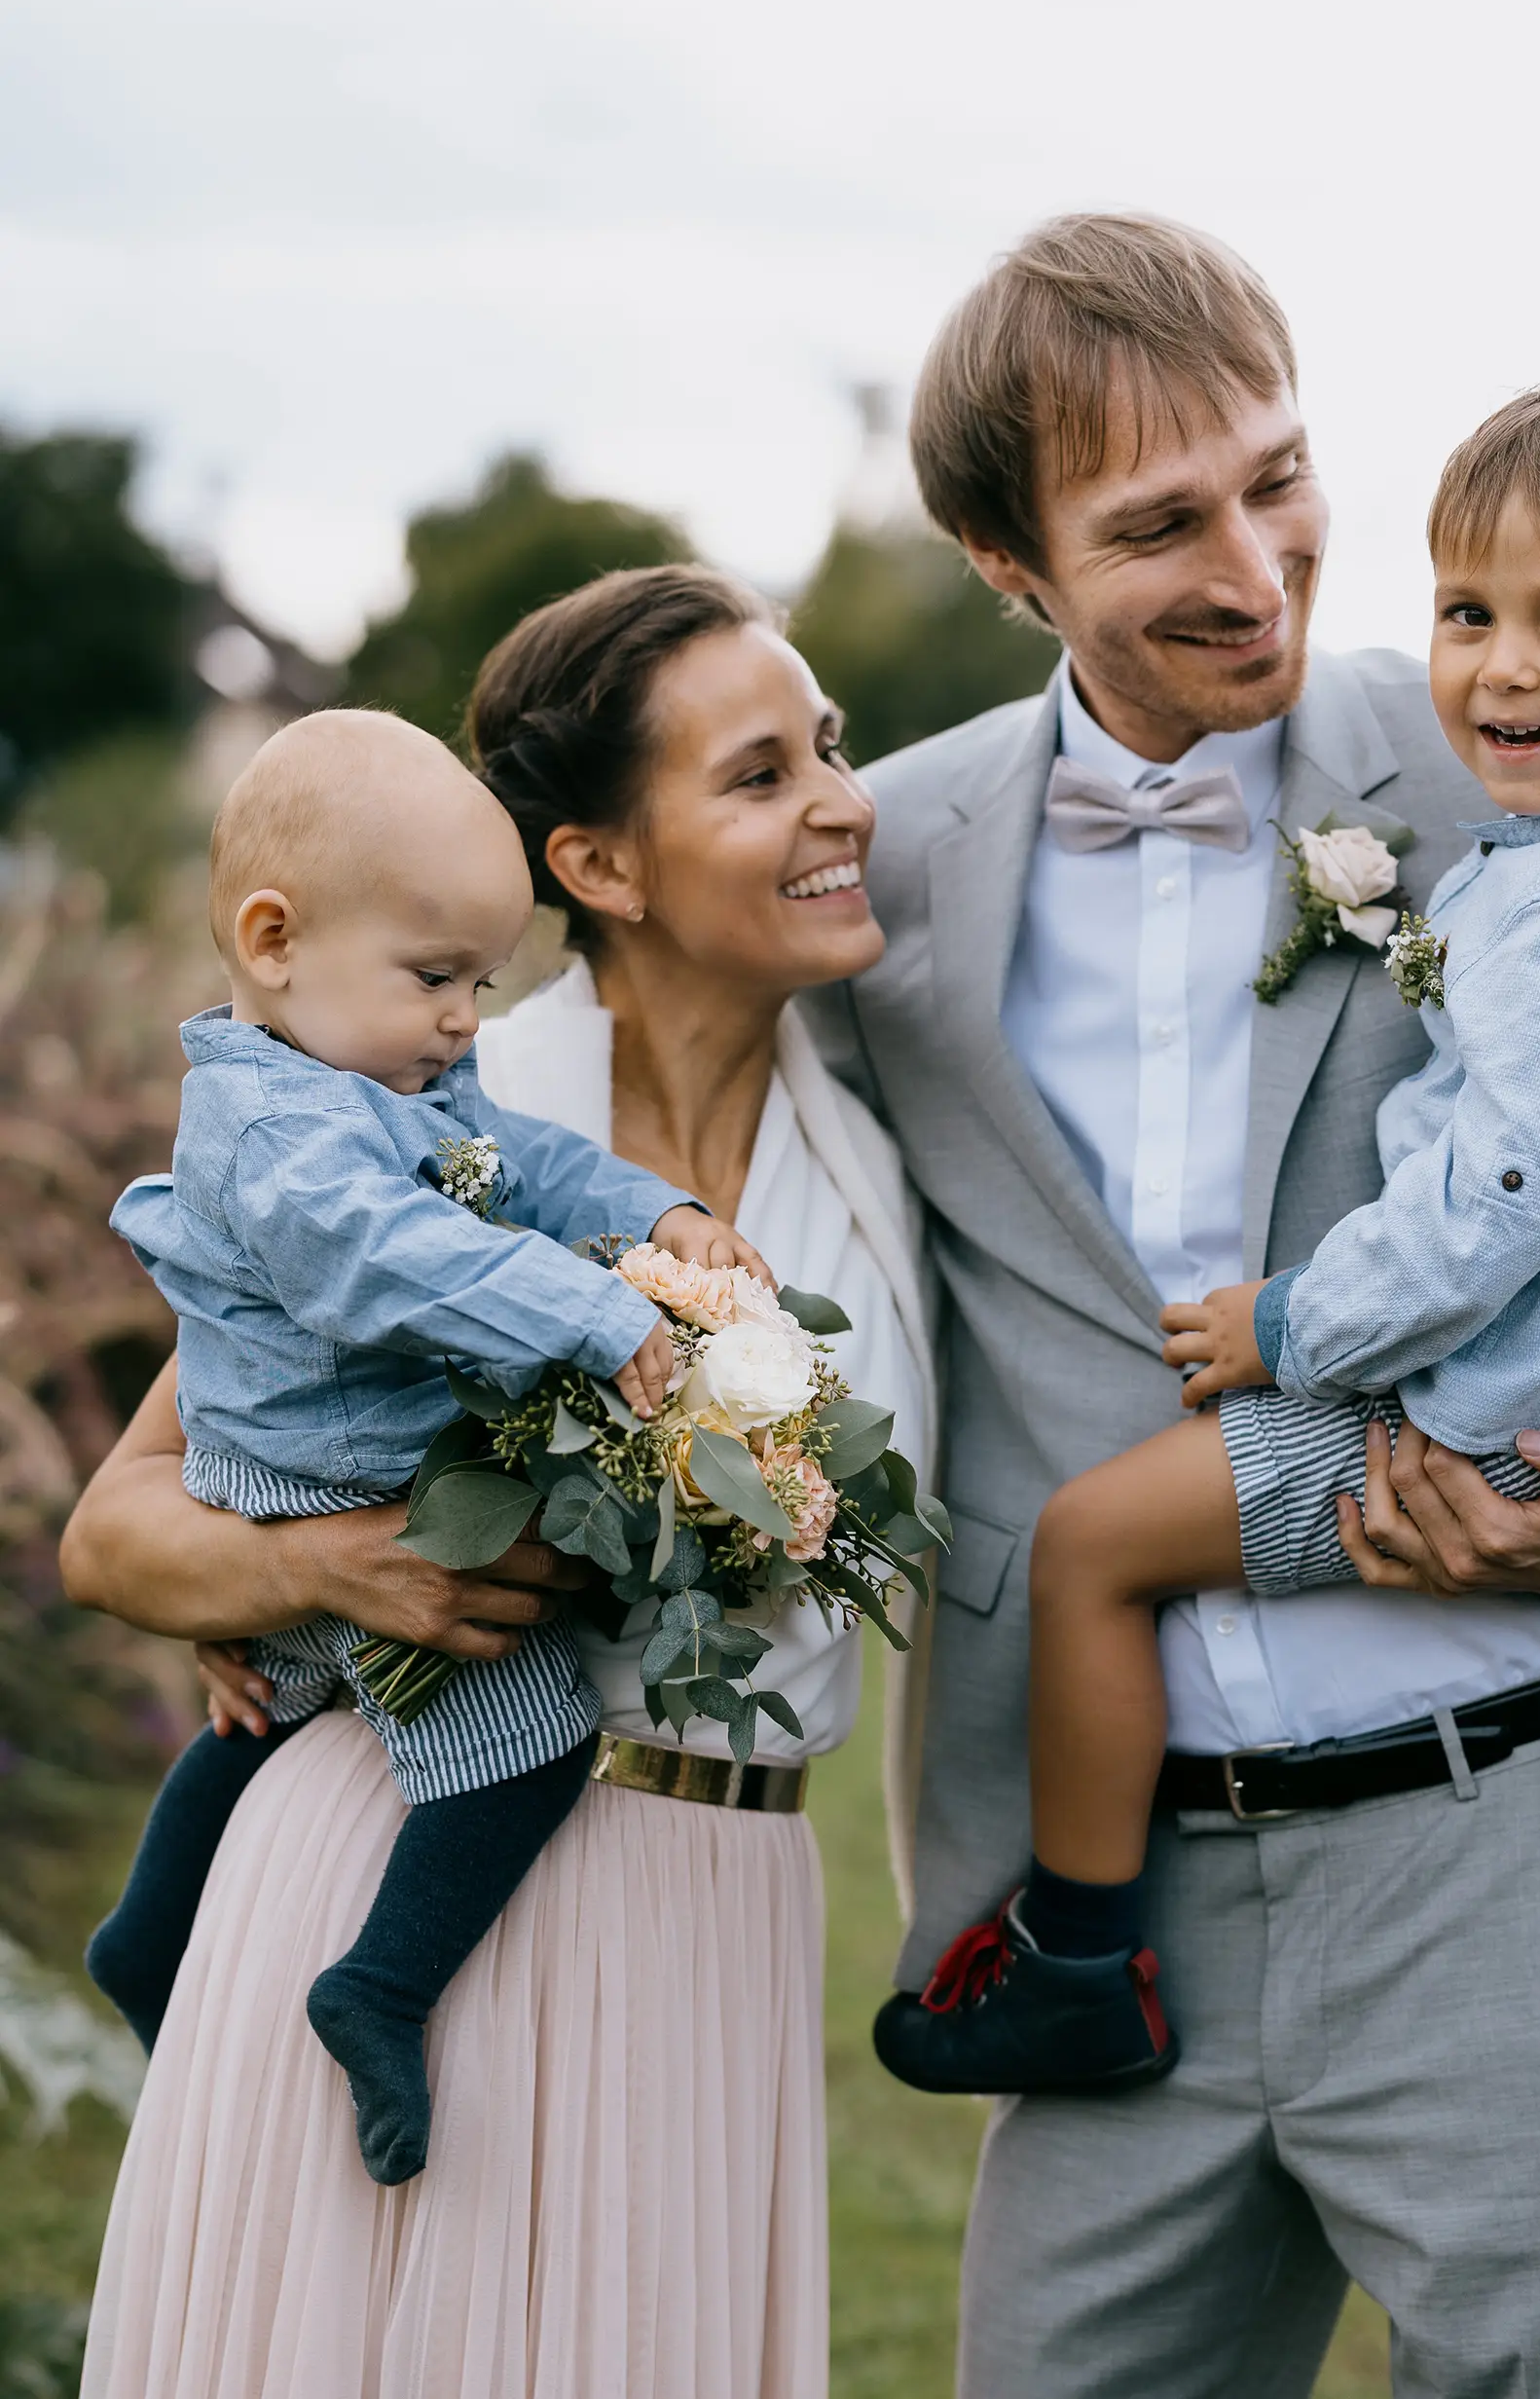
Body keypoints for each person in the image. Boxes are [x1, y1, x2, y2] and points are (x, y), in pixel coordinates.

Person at [810, 214, 1540, 2396]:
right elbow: (633, 1130)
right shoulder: (881, 865)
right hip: (1118, 1899)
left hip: (1518, 1841)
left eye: (1278, 476)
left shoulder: (1538, 753)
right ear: (1015, 568)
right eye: (1159, 523)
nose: (1257, 561)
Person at [66, 566, 935, 2399]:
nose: (845, 802)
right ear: (601, 866)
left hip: (734, 1905)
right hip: (427, 1860)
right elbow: (124, 1523)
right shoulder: (417, 1092)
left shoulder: (892, 1158)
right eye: (763, 774)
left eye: (834, 750)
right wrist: (331, 1572)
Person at [89, 708, 765, 2186]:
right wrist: (589, 1308)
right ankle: (379, 1988)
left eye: (481, 981)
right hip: (332, 1480)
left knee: (261, 1700)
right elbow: (382, 1258)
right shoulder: (278, 1132)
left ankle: (145, 1941)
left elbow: (519, 1160)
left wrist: (651, 1214)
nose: (463, 1019)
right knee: (521, 1743)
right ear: (274, 942)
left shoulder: (385, 1077)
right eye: (434, 977)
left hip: (313, 1472)